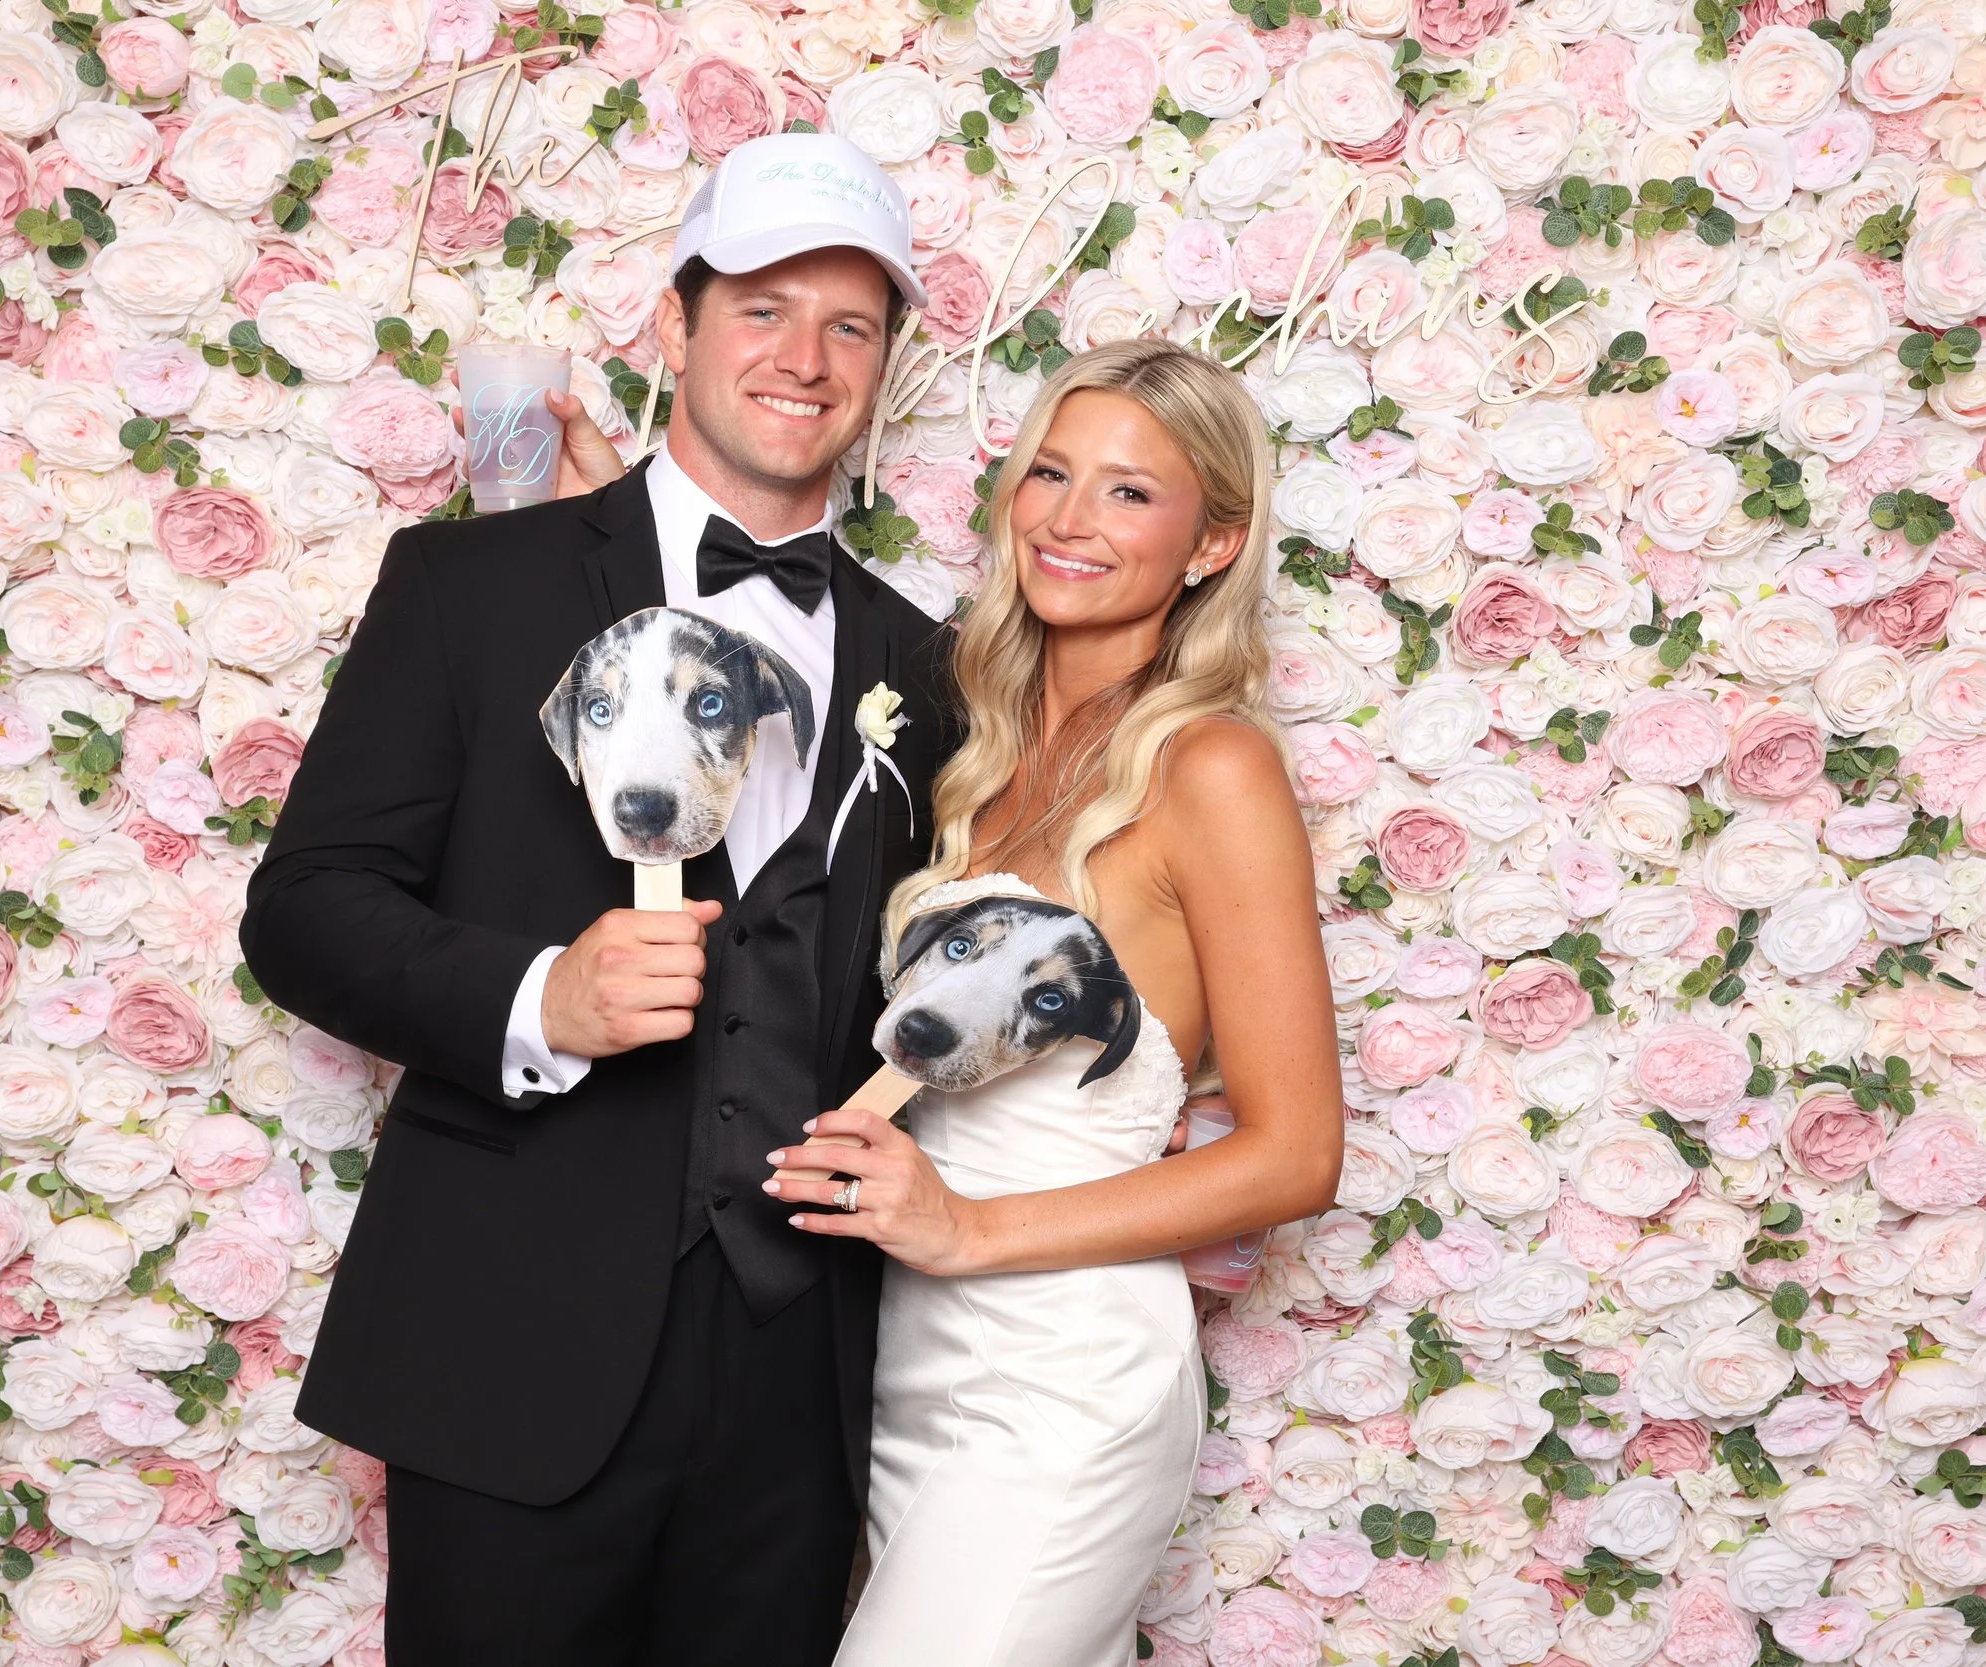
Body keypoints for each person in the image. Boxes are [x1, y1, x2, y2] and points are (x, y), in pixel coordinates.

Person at [240, 132, 960, 1666]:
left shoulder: (926, 662)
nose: (807, 358)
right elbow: (302, 906)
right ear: (675, 327)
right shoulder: (471, 587)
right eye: (763, 307)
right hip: (514, 1337)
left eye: (852, 324)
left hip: (795, 1373)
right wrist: (538, 997)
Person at [764, 340, 1345, 1666]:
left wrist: (967, 1227)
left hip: (1063, 1381)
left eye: (1132, 494)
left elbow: (1298, 1152)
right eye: (1052, 474)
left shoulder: (1213, 765)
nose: (1072, 520)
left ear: (1213, 543)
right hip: (910, 1366)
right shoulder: (971, 730)